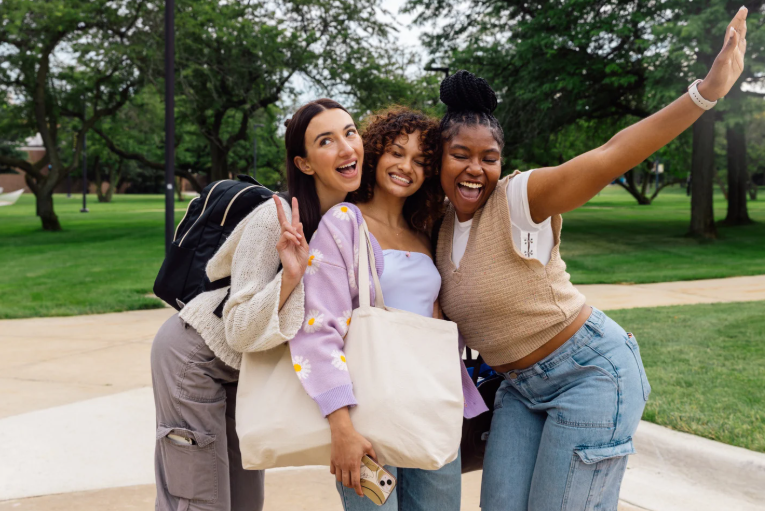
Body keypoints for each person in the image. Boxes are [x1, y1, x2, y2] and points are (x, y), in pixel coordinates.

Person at [432, 9, 748, 511]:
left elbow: (610, 154)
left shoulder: (520, 198)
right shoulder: (439, 223)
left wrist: (703, 94)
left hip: (590, 374)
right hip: (516, 388)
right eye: (459, 155)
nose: (475, 169)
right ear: (438, 158)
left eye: (488, 157)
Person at [150, 98, 364, 511]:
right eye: (327, 141)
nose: (346, 147)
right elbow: (240, 327)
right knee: (198, 501)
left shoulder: (347, 216)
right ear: (304, 163)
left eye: (350, 132)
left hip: (240, 372)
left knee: (246, 502)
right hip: (193, 359)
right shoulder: (276, 218)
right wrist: (290, 277)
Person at [288, 107, 487, 510]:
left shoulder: (425, 230)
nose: (406, 167)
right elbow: (317, 330)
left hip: (430, 408)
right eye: (397, 153)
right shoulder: (344, 223)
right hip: (367, 417)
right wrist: (341, 427)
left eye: (420, 161)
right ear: (376, 153)